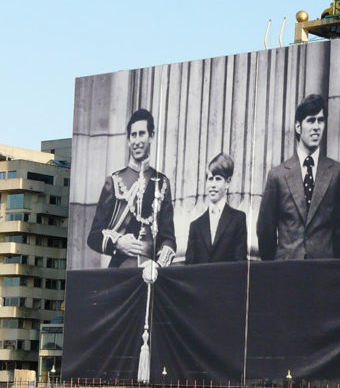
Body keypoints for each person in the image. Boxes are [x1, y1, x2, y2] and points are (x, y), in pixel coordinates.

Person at [256, 94, 340, 260]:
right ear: (298, 127)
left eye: (320, 121)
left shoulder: (338, 172)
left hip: (324, 270)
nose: (316, 127)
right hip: (287, 270)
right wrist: (274, 267)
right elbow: (265, 230)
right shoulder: (277, 175)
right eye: (311, 120)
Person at [87, 108, 176, 268]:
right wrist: (118, 243)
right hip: (120, 271)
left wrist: (159, 265)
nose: (137, 141)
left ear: (151, 136)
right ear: (128, 140)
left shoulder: (162, 183)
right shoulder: (114, 181)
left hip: (151, 273)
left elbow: (169, 239)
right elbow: (93, 237)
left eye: (141, 134)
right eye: (133, 135)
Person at [185, 153, 248, 264]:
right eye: (210, 179)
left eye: (218, 179)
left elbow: (240, 264)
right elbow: (189, 267)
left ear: (227, 183)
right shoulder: (195, 226)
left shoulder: (238, 219)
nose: (212, 185)